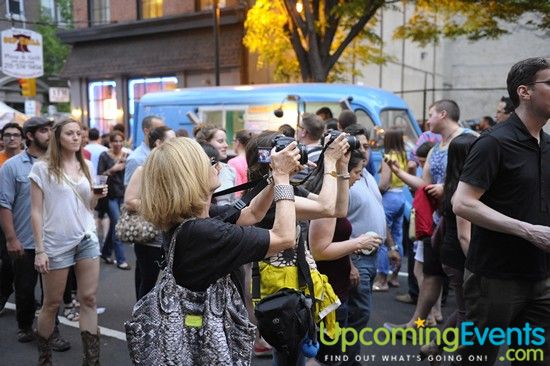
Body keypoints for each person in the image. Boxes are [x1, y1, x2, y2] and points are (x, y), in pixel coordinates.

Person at [137, 137, 301, 364]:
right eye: (207, 161)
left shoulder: (191, 218)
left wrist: (276, 176)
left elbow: (252, 213)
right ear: (190, 175)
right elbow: (284, 238)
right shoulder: (202, 232)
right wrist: (283, 179)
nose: (217, 165)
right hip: (210, 341)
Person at [452, 57, 550, 365]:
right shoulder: (493, 142)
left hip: (541, 278)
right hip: (493, 279)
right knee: (478, 359)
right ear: (524, 92)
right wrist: (527, 230)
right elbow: (462, 203)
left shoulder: (547, 145)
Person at [246, 131, 351, 365]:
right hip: (280, 292)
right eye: (290, 150)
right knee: (289, 356)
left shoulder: (286, 189)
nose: (297, 156)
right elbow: (325, 207)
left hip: (297, 286)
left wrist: (342, 167)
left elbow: (338, 209)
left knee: (292, 356)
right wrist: (330, 162)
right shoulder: (269, 197)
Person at [383, 100, 477, 334]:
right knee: (431, 275)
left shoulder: (470, 139)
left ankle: (468, 337)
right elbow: (425, 185)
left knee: (464, 281)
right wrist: (398, 172)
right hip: (438, 223)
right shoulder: (436, 147)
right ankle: (417, 323)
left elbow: (479, 176)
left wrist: (447, 187)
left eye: (431, 114)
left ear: (443, 114)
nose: (427, 119)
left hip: (461, 222)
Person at [30, 118, 107, 365]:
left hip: (86, 237)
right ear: (57, 138)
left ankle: (91, 361)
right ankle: (45, 358)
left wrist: (97, 197)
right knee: (51, 304)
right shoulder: (42, 168)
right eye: (70, 134)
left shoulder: (85, 164)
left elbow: (89, 205)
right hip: (55, 243)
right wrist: (39, 250)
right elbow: (36, 211)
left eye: (78, 133)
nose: (76, 137)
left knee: (89, 299)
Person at [0, 117, 71, 351]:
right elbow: (4, 205)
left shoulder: (59, 163)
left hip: (53, 241)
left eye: (51, 130)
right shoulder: (12, 166)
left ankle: (52, 333)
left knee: (52, 294)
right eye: (43, 130)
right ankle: (24, 325)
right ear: (30, 136)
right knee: (25, 289)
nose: (50, 134)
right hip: (25, 241)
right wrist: (11, 239)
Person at [308, 150, 383, 363]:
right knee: (325, 356)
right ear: (343, 171)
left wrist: (350, 263)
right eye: (357, 172)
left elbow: (338, 219)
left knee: (330, 352)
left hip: (335, 285)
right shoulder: (327, 196)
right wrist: (359, 243)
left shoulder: (335, 197)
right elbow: (319, 250)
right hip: (327, 289)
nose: (359, 178)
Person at [342, 123, 401, 365]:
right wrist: (349, 264)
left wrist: (391, 246)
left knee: (358, 313)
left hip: (372, 255)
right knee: (357, 313)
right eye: (361, 146)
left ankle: (347, 359)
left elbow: (379, 213)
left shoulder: (364, 175)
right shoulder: (347, 180)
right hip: (356, 257)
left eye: (367, 146)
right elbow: (337, 226)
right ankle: (345, 360)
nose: (366, 151)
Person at [420, 133, 477, 361]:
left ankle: (435, 347)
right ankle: (457, 357)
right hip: (459, 256)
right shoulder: (461, 190)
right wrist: (476, 266)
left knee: (466, 308)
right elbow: (465, 235)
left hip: (450, 253)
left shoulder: (451, 184)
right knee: (468, 311)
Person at [124, 126, 175, 300]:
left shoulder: (174, 171)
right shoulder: (142, 169)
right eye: (172, 140)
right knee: (148, 280)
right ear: (158, 143)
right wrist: (161, 207)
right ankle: (141, 319)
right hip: (149, 235)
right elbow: (130, 201)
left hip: (170, 233)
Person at [375, 128, 409, 291]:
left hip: (389, 198)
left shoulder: (387, 157)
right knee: (397, 237)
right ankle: (394, 277)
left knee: (383, 238)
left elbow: (384, 182)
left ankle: (382, 279)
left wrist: (376, 193)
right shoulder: (404, 155)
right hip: (401, 196)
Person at [0, 122, 24, 313]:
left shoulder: (32, 161)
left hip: (25, 217)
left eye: (16, 135)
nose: (12, 138)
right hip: (3, 217)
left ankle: (26, 296)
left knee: (27, 260)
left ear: (23, 138)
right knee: (7, 260)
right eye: (8, 135)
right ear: (2, 139)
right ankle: (5, 291)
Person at [97, 131, 129, 269]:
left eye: (120, 141)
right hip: (109, 195)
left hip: (123, 195)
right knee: (118, 225)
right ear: (110, 142)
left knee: (114, 226)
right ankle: (121, 260)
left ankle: (105, 252)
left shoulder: (127, 155)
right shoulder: (104, 155)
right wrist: (113, 169)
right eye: (115, 141)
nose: (118, 143)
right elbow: (99, 176)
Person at [194, 124, 237, 205]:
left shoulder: (230, 170)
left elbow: (233, 200)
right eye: (220, 141)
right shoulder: (195, 170)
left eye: (226, 141)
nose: (226, 145)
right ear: (206, 144)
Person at [123, 115, 165, 186]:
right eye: (159, 130)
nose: (163, 133)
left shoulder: (162, 152)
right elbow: (129, 192)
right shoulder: (135, 159)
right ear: (146, 131)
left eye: (163, 130)